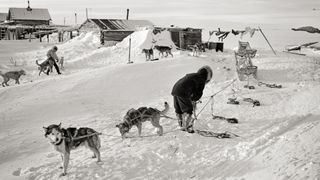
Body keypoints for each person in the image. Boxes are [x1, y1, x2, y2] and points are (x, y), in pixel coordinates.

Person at [171, 66, 213, 133]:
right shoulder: (201, 79)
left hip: (175, 89)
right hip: (183, 92)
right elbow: (198, 93)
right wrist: (194, 99)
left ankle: (181, 124)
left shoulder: (194, 75)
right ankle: (187, 127)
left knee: (179, 110)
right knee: (188, 110)